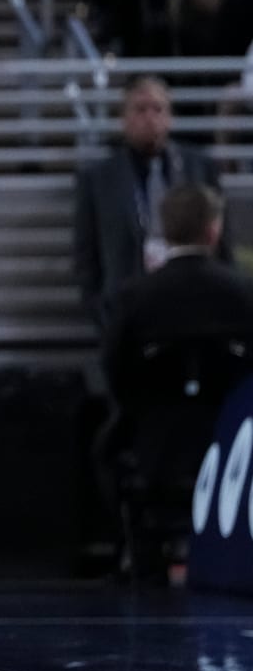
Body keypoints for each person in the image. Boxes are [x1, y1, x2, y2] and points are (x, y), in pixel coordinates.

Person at [104, 184, 253, 557]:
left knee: (102, 448)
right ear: (213, 229)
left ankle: (139, 554)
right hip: (231, 445)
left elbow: (115, 371)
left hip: (154, 442)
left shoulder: (133, 296)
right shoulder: (244, 293)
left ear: (165, 231)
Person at [74, 74, 226, 328]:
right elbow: (86, 257)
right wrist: (103, 317)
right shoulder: (98, 178)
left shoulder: (199, 168)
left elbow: (223, 243)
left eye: (158, 109)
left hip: (194, 307)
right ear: (124, 118)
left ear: (170, 117)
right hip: (128, 311)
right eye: (140, 109)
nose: (150, 118)